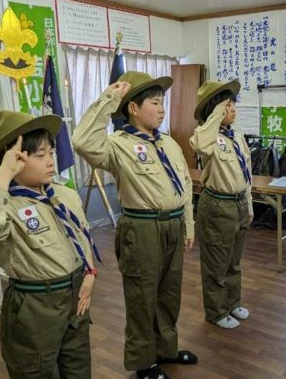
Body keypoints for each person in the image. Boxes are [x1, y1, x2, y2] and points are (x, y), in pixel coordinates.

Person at [73, 72, 196, 379]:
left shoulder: (168, 143)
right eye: (154, 102)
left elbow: (185, 185)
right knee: (142, 297)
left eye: (162, 102)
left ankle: (166, 348)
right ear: (133, 108)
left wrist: (188, 224)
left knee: (169, 294)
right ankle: (144, 362)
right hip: (142, 229)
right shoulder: (118, 145)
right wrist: (109, 99)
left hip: (173, 226)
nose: (162, 109)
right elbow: (82, 141)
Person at [0, 110, 100, 378]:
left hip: (75, 297)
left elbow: (83, 237)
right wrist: (3, 174)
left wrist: (90, 272)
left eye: (51, 152)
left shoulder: (65, 195)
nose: (50, 161)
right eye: (39, 155)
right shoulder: (4, 207)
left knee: (78, 367)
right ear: (13, 160)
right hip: (35, 306)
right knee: (36, 370)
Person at [190, 80, 253, 330]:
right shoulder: (207, 136)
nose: (233, 109)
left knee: (234, 261)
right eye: (228, 105)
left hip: (238, 203)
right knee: (216, 263)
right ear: (215, 109)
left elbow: (247, 171)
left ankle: (232, 302)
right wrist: (216, 114)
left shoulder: (235, 136)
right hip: (217, 205)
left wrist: (249, 204)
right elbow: (199, 145)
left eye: (233, 103)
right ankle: (216, 312)